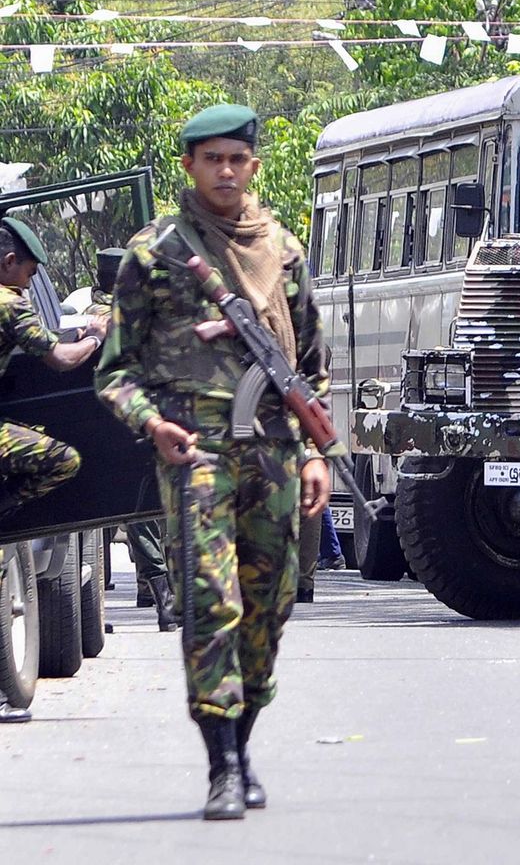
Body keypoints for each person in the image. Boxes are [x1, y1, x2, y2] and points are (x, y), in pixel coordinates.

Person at [95, 103, 332, 820]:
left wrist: (318, 453)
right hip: (196, 449)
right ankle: (222, 765)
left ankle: (244, 742)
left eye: (236, 159)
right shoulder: (155, 252)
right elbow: (115, 371)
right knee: (210, 601)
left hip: (276, 450)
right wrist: (152, 423)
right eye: (212, 160)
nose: (225, 172)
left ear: (253, 166)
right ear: (190, 166)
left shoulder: (283, 250)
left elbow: (311, 367)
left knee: (268, 607)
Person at [0, 217, 109, 725]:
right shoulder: (8, 302)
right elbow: (61, 358)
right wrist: (95, 338)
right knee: (64, 459)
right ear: (8, 262)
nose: (29, 282)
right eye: (28, 271)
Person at [85, 249, 178, 632]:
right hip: (136, 424)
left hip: (116, 428)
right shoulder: (122, 315)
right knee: (145, 511)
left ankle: (150, 592)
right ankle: (163, 596)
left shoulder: (96, 316)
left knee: (109, 520)